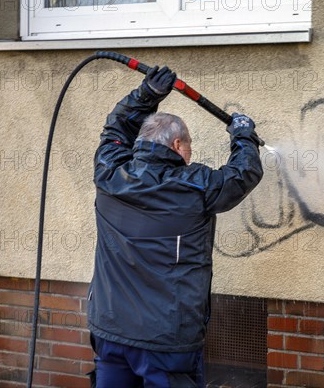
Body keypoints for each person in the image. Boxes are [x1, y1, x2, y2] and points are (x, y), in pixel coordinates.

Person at [87, 66, 264, 387]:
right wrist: (243, 134)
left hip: (109, 331)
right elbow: (243, 175)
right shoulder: (196, 185)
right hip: (165, 340)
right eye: (190, 146)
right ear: (178, 144)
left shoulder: (109, 172)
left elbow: (115, 129)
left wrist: (146, 94)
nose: (190, 152)